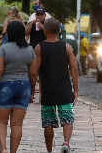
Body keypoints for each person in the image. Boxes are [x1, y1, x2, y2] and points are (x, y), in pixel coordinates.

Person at [0, 21, 36, 153]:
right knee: (17, 124)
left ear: (10, 33)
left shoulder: (4, 48)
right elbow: (33, 73)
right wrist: (32, 91)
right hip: (24, 86)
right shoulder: (30, 50)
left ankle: (3, 149)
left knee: (1, 121)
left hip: (6, 86)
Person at [31, 18, 79, 153]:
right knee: (67, 118)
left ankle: (49, 150)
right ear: (59, 31)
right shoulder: (67, 47)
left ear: (44, 30)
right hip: (64, 88)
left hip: (47, 89)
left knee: (48, 122)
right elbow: (74, 68)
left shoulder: (39, 48)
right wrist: (75, 89)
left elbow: (34, 72)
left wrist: (33, 91)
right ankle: (66, 142)